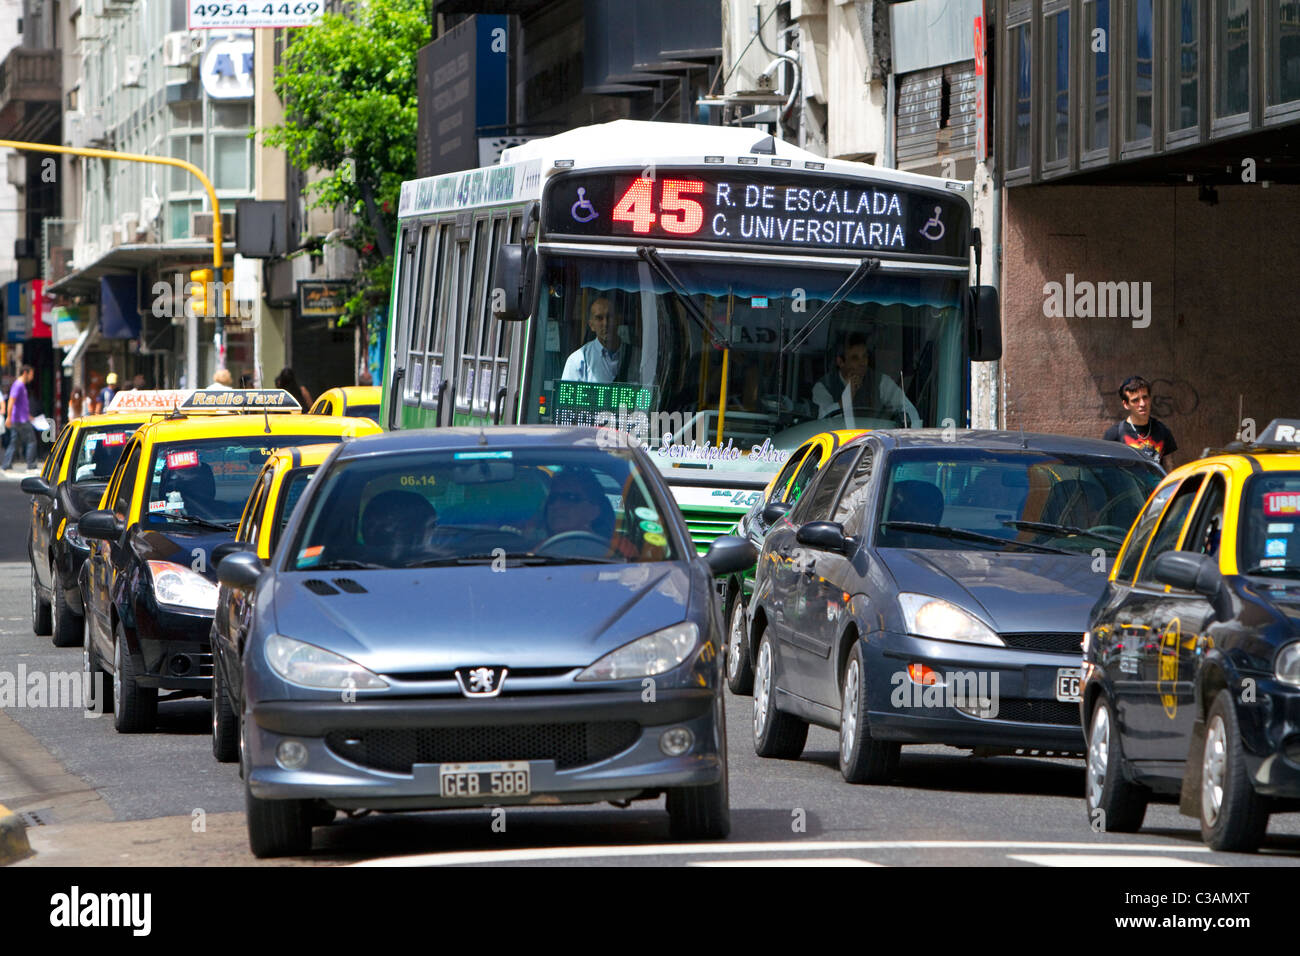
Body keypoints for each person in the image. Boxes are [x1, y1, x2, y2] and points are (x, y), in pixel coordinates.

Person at [811, 332, 921, 427]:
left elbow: (908, 409)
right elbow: (822, 421)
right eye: (855, 358)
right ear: (840, 362)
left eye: (865, 356)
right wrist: (847, 396)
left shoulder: (879, 381)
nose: (862, 363)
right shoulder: (824, 386)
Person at [1103, 375, 1177, 468]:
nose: (1142, 404)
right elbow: (1107, 470)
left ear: (1150, 398)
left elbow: (1169, 467)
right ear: (1126, 404)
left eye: (1145, 397)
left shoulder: (1162, 430)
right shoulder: (1114, 434)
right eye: (1135, 400)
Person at [561, 297, 636, 383]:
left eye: (610, 317)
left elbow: (649, 392)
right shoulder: (578, 360)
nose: (605, 323)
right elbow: (569, 395)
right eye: (599, 318)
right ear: (591, 325)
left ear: (619, 320)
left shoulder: (637, 357)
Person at [3, 365, 39, 471]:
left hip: (20, 418)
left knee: (14, 442)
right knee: (31, 441)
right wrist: (8, 417)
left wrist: (29, 416)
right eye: (31, 374)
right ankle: (31, 465)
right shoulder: (18, 385)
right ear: (25, 373)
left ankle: (6, 464)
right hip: (20, 420)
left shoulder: (21, 385)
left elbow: (20, 405)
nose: (32, 377)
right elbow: (11, 401)